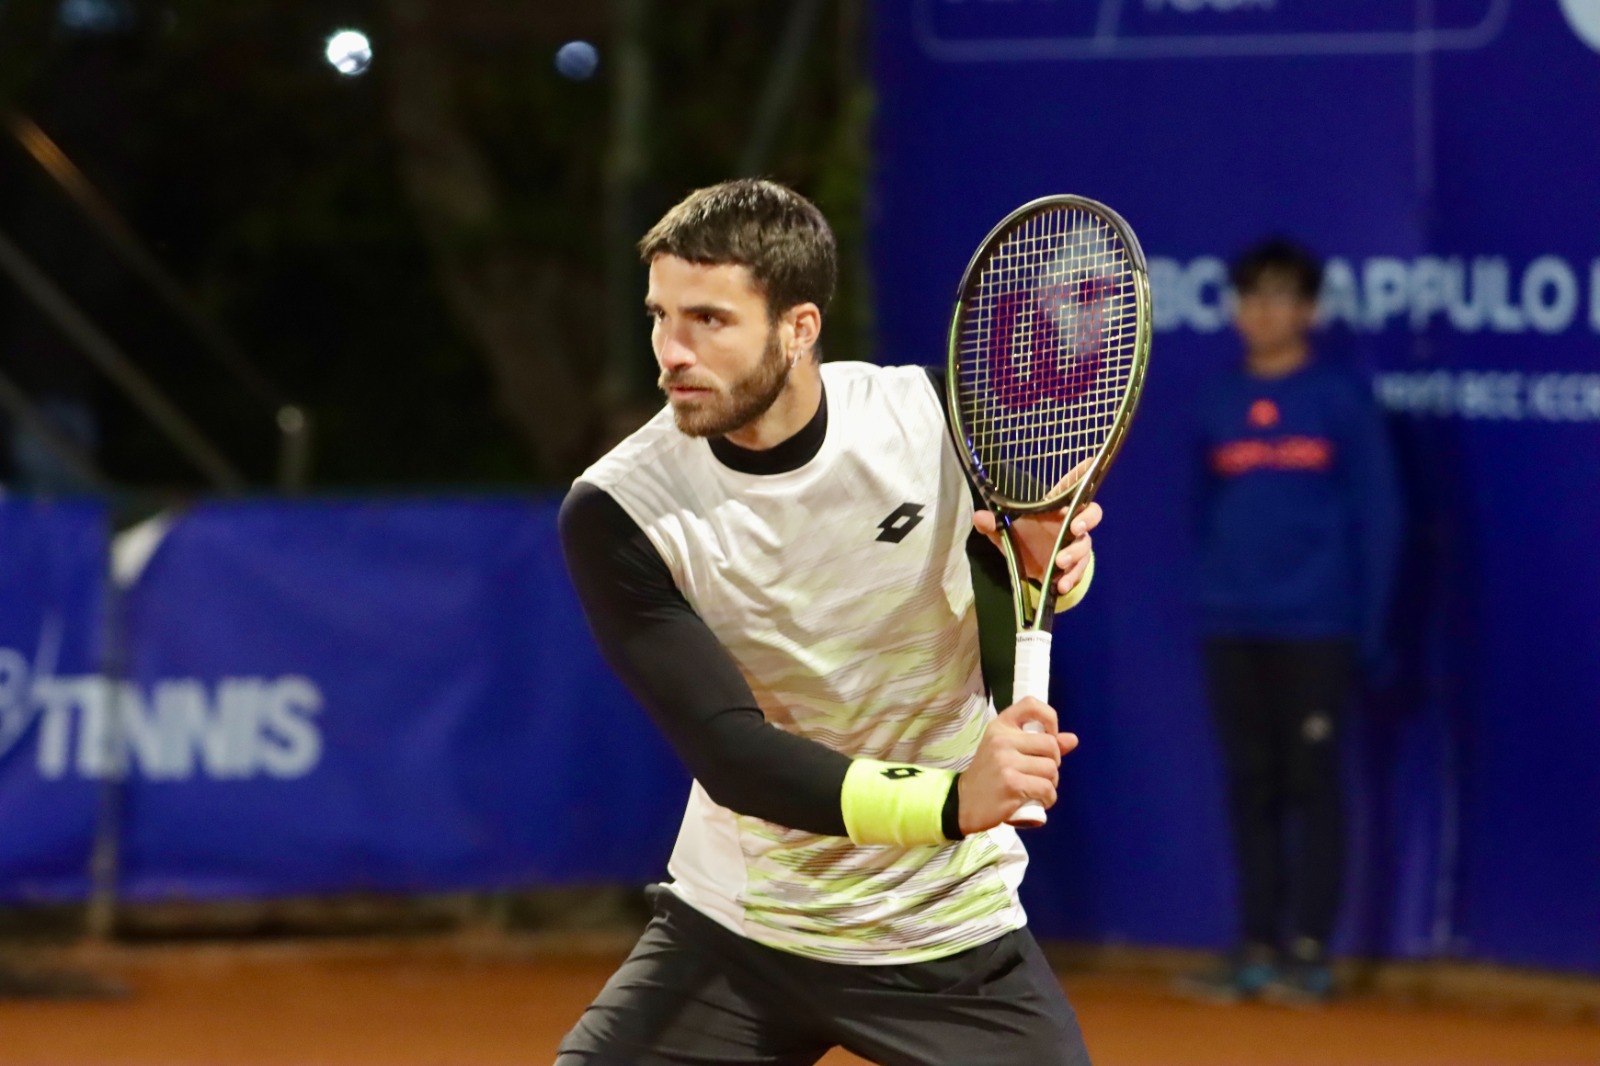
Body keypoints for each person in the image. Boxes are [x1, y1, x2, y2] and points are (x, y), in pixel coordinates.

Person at [556, 179, 1104, 1065]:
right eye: (660, 316)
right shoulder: (622, 507)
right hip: (737, 932)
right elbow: (731, 754)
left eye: (709, 321)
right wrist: (954, 801)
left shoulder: (937, 421)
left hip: (946, 936)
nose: (671, 352)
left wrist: (1053, 568)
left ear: (798, 327)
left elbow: (1016, 586)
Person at [1180, 238, 1402, 1006]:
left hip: (1319, 626)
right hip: (1232, 624)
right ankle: (1254, 947)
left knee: (1312, 784)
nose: (1262, 311)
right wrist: (1214, 596)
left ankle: (1310, 952)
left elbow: (1382, 515)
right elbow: (1200, 515)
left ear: (1308, 309)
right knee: (1250, 784)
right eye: (1250, 296)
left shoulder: (1340, 398)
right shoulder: (1216, 401)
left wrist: (1369, 626)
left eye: (1280, 297)